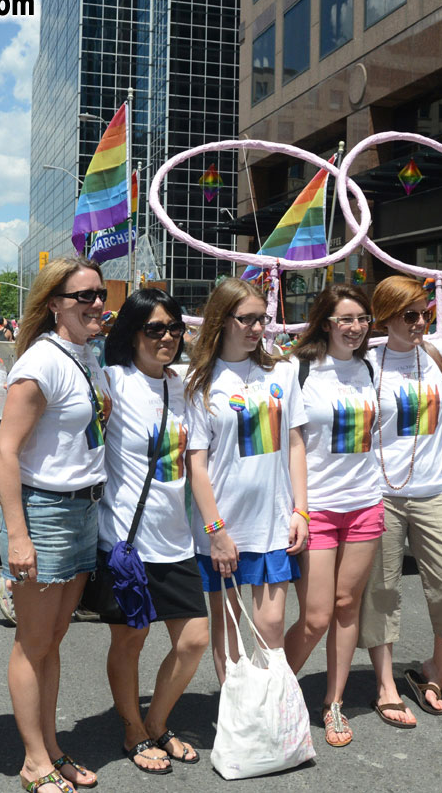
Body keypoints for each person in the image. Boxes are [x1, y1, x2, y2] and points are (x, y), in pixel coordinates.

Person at [0, 257, 111, 793]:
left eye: (98, 294)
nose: (95, 304)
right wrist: (18, 535)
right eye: (82, 296)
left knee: (53, 640)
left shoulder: (88, 356)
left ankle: (51, 747)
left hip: (84, 508)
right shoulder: (41, 363)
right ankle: (33, 760)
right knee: (33, 641)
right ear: (54, 304)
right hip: (45, 513)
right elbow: (6, 452)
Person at [97, 289, 209, 773]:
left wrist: (216, 528)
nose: (167, 337)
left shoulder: (186, 386)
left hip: (177, 537)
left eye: (174, 328)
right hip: (127, 541)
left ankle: (158, 721)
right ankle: (132, 727)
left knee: (194, 641)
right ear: (133, 334)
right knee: (130, 640)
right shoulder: (111, 382)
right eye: (154, 329)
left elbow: (197, 461)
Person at [358, 275, 442, 729]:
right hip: (379, 493)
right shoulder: (365, 360)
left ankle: (434, 671)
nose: (421, 321)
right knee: (381, 591)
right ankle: (386, 685)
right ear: (385, 316)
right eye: (409, 314)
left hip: (434, 490)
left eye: (425, 312)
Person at [184, 278, 308, 685]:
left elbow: (294, 444)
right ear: (222, 320)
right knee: (229, 631)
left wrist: (300, 510)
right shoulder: (201, 382)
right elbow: (197, 464)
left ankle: (271, 712)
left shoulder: (285, 373)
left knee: (270, 626)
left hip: (274, 523)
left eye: (263, 320)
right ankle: (238, 721)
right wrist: (215, 531)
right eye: (247, 320)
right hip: (226, 528)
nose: (258, 329)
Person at [283, 284, 384, 748]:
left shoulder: (371, 366)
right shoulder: (298, 369)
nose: (355, 327)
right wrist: (297, 508)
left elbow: (428, 347)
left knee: (348, 607)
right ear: (325, 322)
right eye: (345, 319)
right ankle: (272, 696)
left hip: (365, 503)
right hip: (316, 507)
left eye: (362, 319)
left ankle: (334, 702)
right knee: (316, 615)